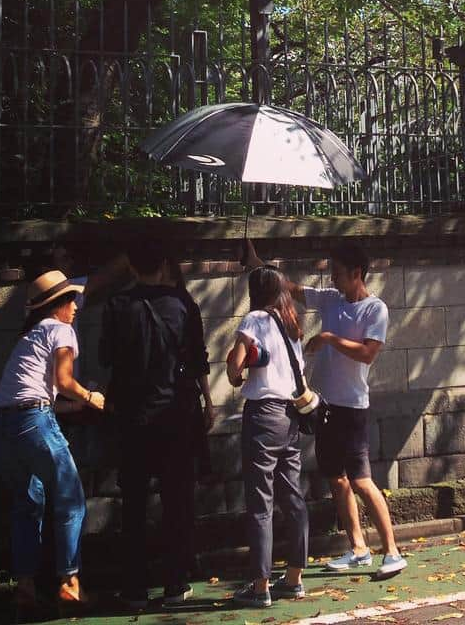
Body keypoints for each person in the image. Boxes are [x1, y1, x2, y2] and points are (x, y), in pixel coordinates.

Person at [248, 241, 407, 578]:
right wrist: (257, 263)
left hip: (352, 408)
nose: (332, 278)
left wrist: (329, 339)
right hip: (323, 406)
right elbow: (287, 287)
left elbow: (367, 353)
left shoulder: (375, 309)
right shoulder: (331, 299)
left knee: (362, 481)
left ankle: (392, 550)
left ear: (356, 273)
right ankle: (358, 548)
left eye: (337, 273)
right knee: (337, 479)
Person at [99, 247, 212, 611]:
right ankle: (176, 583)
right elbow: (198, 360)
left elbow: (105, 357)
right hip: (176, 414)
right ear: (164, 265)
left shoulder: (117, 305)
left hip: (133, 416)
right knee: (176, 500)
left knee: (133, 502)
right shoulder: (182, 303)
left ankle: (134, 588)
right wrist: (207, 403)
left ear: (131, 265)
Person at [0, 269, 106, 615]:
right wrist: (91, 397)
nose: (76, 306)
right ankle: (69, 582)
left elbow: (38, 394)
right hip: (34, 422)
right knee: (71, 499)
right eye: (72, 299)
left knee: (28, 505)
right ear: (57, 304)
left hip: (3, 426)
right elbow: (64, 380)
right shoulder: (60, 330)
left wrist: (74, 404)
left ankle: (25, 586)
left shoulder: (31, 336)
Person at [226, 265, 310, 609]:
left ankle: (260, 586)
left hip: (263, 416)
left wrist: (235, 369)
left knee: (261, 501)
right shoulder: (291, 325)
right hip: (291, 415)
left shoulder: (255, 320)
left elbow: (235, 367)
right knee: (293, 497)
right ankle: (294, 578)